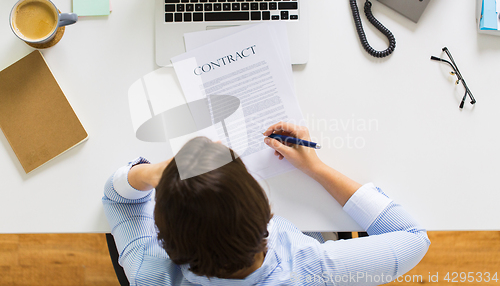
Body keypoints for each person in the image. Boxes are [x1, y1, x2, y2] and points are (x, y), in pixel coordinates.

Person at [103, 122, 430, 285]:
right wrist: (316, 168)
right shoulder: (314, 268)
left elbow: (119, 201)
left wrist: (154, 173)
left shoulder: (150, 272)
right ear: (265, 213)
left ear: (165, 235)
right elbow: (414, 237)